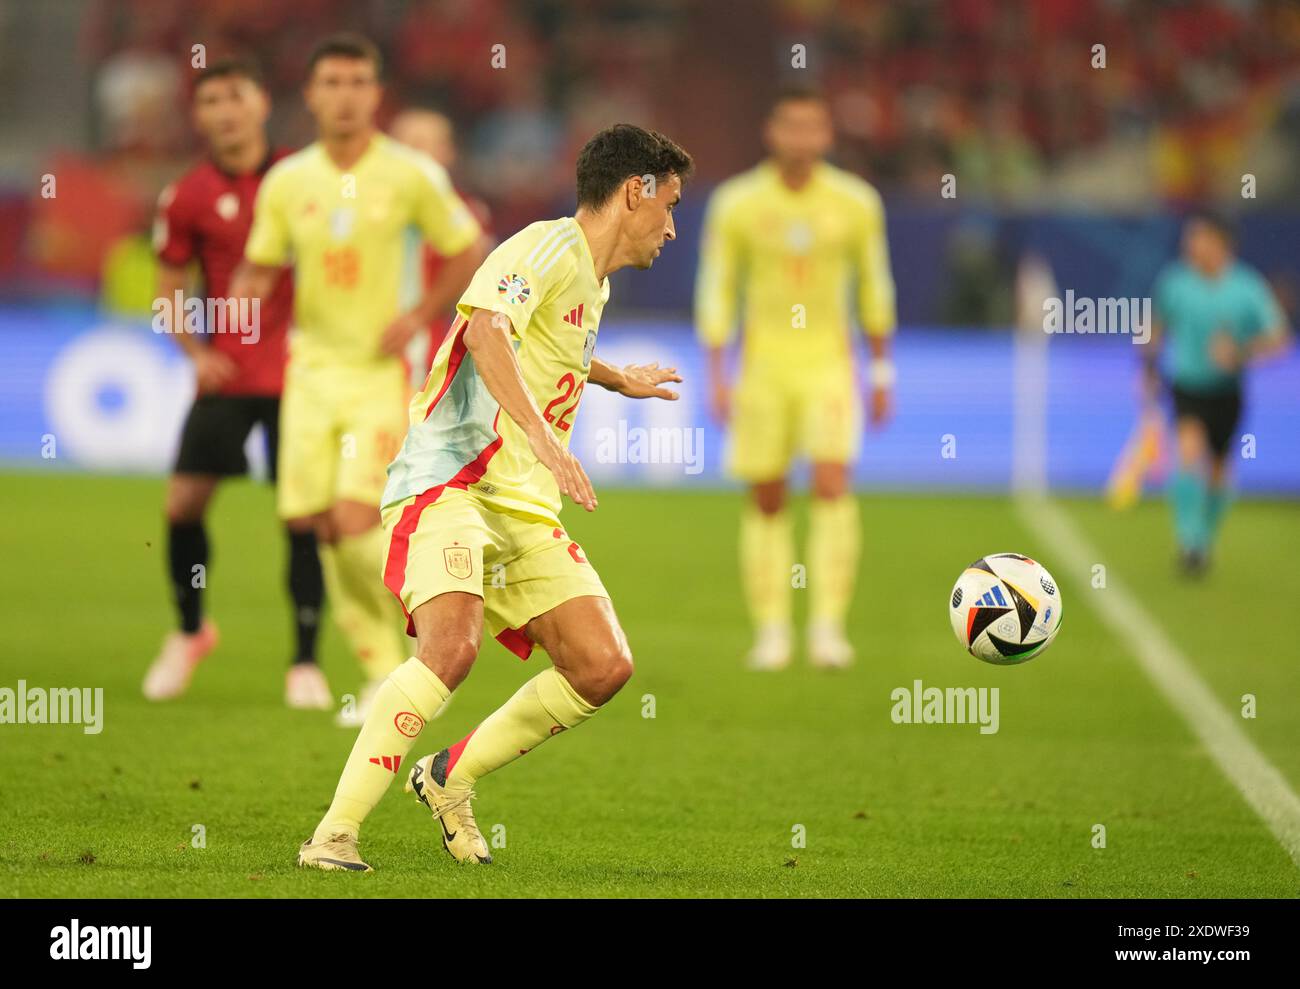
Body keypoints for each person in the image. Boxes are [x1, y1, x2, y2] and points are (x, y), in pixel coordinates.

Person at [297, 123, 693, 871]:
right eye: (668, 204)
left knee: (603, 666)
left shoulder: (592, 280)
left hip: (523, 503)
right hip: (452, 481)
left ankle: (451, 776)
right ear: (635, 190)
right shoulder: (546, 245)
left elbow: (549, 344)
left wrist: (616, 377)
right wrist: (547, 440)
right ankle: (334, 833)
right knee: (451, 646)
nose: (671, 227)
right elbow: (486, 331)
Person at [232, 34, 484, 725]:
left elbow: (469, 249)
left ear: (377, 94)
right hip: (310, 372)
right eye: (332, 83)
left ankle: (406, 653)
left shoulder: (409, 175)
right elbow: (260, 263)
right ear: (310, 95)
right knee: (313, 523)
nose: (345, 95)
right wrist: (244, 292)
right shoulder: (288, 182)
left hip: (382, 373)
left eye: (358, 82)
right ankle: (385, 666)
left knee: (352, 517)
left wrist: (422, 314)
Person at [143, 56, 331, 710]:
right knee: (183, 506)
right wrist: (193, 352)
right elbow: (166, 291)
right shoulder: (187, 194)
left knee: (303, 515)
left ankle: (305, 661)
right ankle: (191, 631)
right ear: (199, 115)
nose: (224, 110)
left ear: (260, 102)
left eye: (235, 96)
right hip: (227, 374)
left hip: (300, 376)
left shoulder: (305, 178)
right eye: (211, 100)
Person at [695, 85, 896, 670]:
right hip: (763, 369)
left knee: (833, 484)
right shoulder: (737, 202)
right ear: (772, 133)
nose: (801, 138)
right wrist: (716, 371)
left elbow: (874, 285)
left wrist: (881, 370)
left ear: (826, 135)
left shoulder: (855, 202)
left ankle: (829, 627)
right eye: (791, 126)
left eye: (812, 127)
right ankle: (773, 629)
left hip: (830, 365)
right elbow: (718, 286)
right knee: (767, 496)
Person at [1147, 211, 1291, 575]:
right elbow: (1156, 326)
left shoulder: (1247, 287)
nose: (1190, 244)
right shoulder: (1175, 282)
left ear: (1220, 243)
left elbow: (1279, 339)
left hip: (1227, 392)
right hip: (1187, 386)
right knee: (1187, 453)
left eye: (1198, 237)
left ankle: (1205, 540)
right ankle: (1188, 539)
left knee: (1219, 471)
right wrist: (1148, 367)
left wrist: (1240, 353)